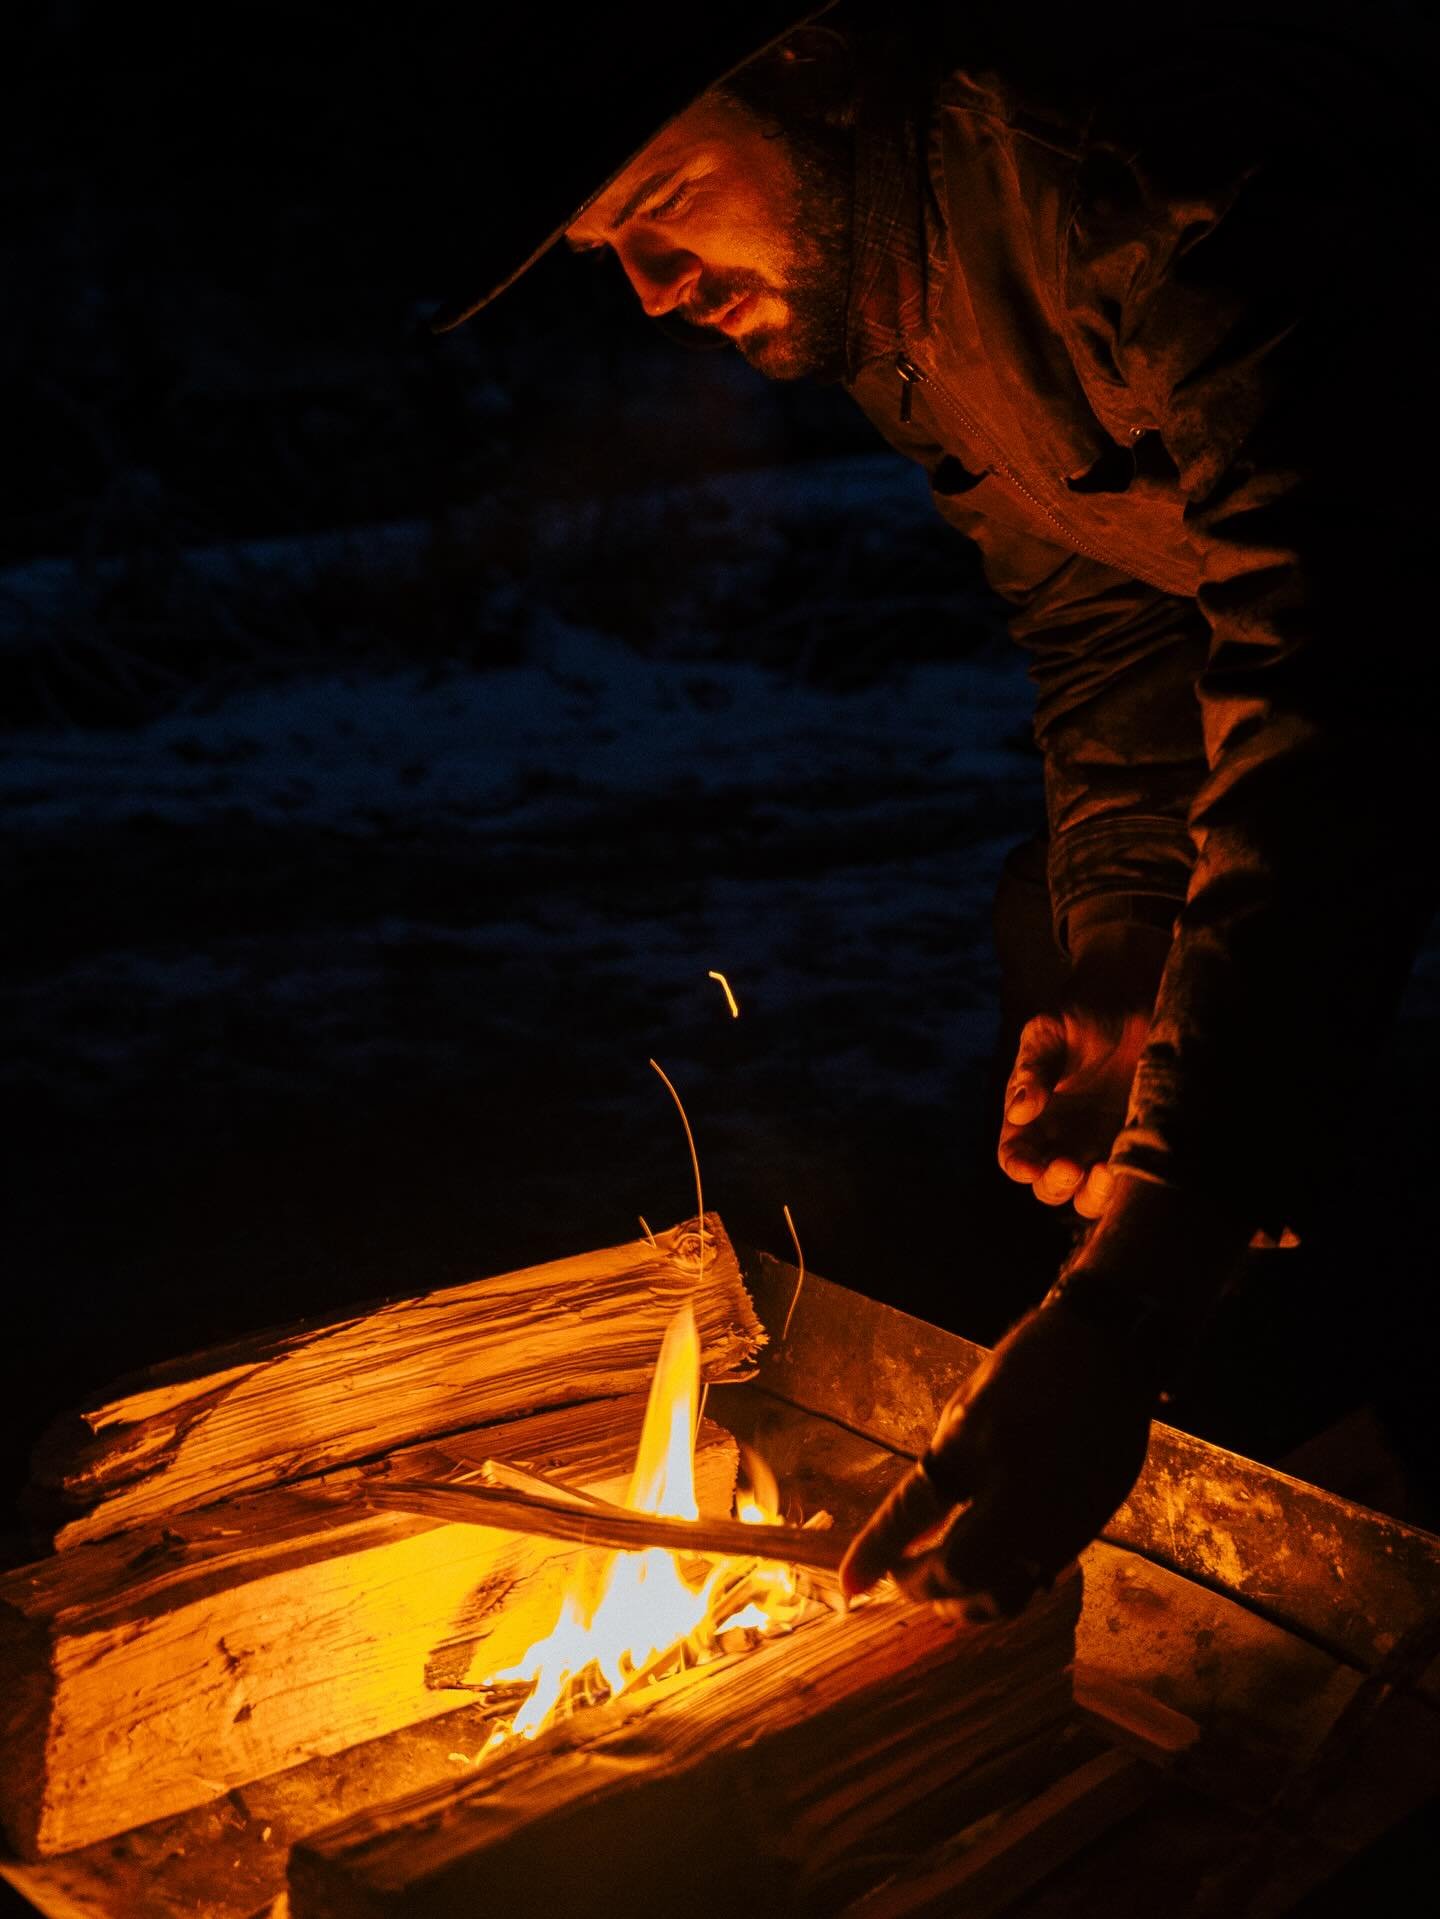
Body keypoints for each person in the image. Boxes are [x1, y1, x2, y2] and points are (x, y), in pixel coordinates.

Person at [436, 1, 1436, 1615]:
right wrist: (1122, 958)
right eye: (604, 247)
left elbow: (1345, 670)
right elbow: (1106, 616)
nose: (652, 289)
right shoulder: (896, 295)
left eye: (667, 201)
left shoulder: (1139, 177)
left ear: (813, 66)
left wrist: (1130, 1303)